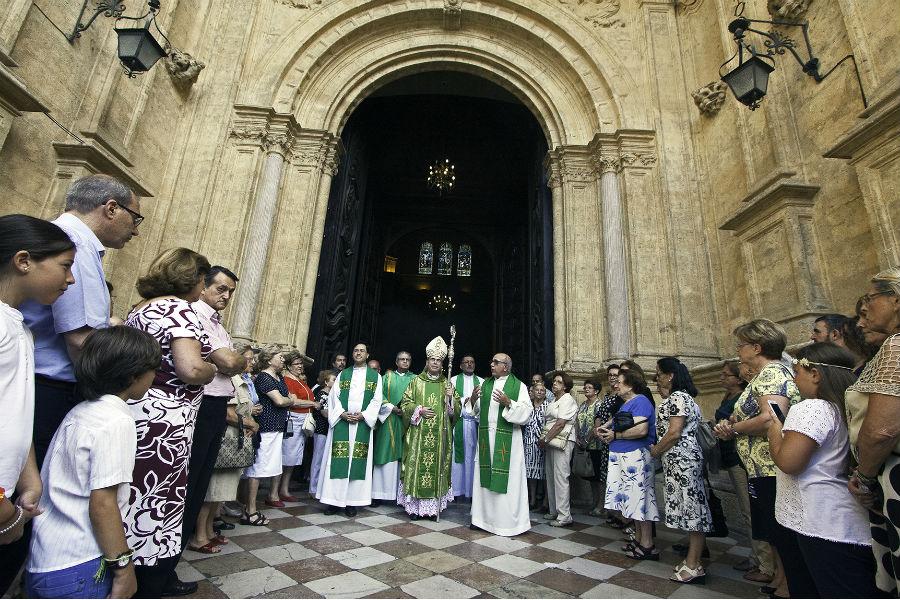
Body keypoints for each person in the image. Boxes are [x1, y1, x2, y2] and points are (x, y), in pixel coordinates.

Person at [26, 326, 160, 599]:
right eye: (153, 369)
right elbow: (103, 502)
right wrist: (123, 567)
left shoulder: (82, 410)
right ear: (134, 375)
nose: (155, 376)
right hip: (81, 563)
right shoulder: (116, 420)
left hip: (46, 557)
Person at [19, 175, 141, 470]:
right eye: (135, 219)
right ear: (111, 208)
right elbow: (80, 338)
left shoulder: (71, 239)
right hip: (50, 387)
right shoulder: (76, 244)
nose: (135, 232)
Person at [123, 248, 216, 598]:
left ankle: (126, 570)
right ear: (191, 279)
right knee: (158, 495)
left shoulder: (140, 309)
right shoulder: (179, 309)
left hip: (136, 408)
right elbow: (190, 368)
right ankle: (151, 581)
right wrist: (211, 369)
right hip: (166, 419)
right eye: (203, 280)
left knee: (133, 492)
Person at [0, 215, 75, 599]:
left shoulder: (21, 327)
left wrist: (29, 477)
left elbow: (16, 412)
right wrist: (3, 512)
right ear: (24, 260)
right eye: (65, 267)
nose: (71, 279)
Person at [767, 342, 879, 598]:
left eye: (797, 372)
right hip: (847, 520)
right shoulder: (844, 406)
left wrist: (775, 430)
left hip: (821, 522)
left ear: (815, 374)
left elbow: (789, 462)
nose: (794, 380)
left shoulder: (812, 408)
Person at [713, 318, 801, 599]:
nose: (738, 350)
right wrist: (733, 423)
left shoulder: (774, 373)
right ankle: (780, 577)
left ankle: (789, 585)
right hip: (759, 467)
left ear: (757, 346)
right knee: (771, 529)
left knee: (781, 529)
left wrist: (734, 428)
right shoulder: (760, 377)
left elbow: (769, 418)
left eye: (741, 345)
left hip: (773, 465)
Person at [185, 266, 246, 555]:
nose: (226, 295)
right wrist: (229, 362)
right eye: (221, 288)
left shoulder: (219, 325)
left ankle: (193, 537)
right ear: (203, 284)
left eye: (231, 291)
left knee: (203, 477)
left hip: (217, 403)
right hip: (203, 402)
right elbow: (231, 363)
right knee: (193, 476)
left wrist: (232, 362)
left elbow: (233, 363)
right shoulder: (194, 315)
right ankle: (184, 540)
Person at [846, 268, 900, 595]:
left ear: (895, 300)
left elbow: (882, 429)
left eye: (870, 299)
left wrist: (864, 477)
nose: (864, 310)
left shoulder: (895, 346)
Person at [651, 357, 712, 584]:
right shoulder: (683, 398)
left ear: (670, 375)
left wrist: (656, 450)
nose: (656, 377)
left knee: (693, 509)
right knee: (689, 508)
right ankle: (691, 560)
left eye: (659, 373)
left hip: (683, 460)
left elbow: (675, 432)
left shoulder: (678, 397)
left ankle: (694, 564)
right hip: (679, 460)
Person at [198, 346, 261, 547]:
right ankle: (200, 535)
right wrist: (251, 423)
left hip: (236, 442)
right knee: (211, 492)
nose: (250, 363)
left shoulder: (244, 381)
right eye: (247, 359)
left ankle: (209, 531)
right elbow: (228, 412)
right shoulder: (230, 379)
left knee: (220, 493)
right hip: (226, 440)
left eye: (252, 359)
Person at [716, 360, 771, 577]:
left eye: (726, 375)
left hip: (743, 459)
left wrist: (731, 427)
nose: (722, 378)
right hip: (732, 457)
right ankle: (757, 557)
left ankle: (765, 564)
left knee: (751, 511)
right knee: (748, 510)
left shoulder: (743, 398)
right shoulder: (729, 397)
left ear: (738, 378)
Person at [597, 368, 658, 560]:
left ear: (630, 385)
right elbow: (616, 422)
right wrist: (604, 430)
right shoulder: (627, 403)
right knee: (632, 500)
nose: (615, 384)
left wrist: (616, 435)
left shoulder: (640, 401)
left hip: (635, 457)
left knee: (641, 500)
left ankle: (647, 544)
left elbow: (641, 430)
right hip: (624, 456)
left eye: (620, 382)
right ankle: (639, 540)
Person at [317, 343, 383, 517]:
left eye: (362, 350)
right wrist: (341, 414)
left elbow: (377, 401)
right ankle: (333, 501)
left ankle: (352, 502)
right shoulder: (343, 375)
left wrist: (364, 415)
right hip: (342, 423)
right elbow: (334, 398)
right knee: (336, 462)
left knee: (357, 463)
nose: (358, 353)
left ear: (367, 355)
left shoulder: (375, 377)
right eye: (355, 350)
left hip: (361, 424)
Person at [470, 353, 533, 536]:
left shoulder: (519, 386)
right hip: (485, 440)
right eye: (492, 361)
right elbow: (475, 411)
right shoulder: (485, 384)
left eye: (496, 362)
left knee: (509, 481)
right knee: (484, 478)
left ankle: (507, 523)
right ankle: (481, 519)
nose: (491, 364)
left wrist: (509, 402)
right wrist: (473, 399)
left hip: (508, 443)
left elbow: (527, 413)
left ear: (505, 366)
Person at [398, 337, 461, 519]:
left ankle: (433, 509)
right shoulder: (416, 382)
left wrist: (450, 399)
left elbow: (455, 412)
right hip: (418, 435)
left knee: (437, 469)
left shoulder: (447, 385)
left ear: (442, 363)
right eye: (432, 359)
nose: (435, 363)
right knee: (417, 467)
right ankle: (415, 509)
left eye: (438, 360)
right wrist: (418, 410)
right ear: (427, 362)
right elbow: (405, 404)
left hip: (439, 437)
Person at [243, 349, 293, 520]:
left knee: (268, 465)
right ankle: (250, 509)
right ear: (269, 360)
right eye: (280, 357)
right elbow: (280, 400)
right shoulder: (265, 377)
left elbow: (283, 398)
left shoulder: (279, 378)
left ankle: (252, 505)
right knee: (258, 466)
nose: (283, 359)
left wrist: (287, 399)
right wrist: (290, 400)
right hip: (266, 426)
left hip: (277, 426)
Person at [372, 351, 415, 506]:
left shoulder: (415, 379)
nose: (405, 362)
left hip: (408, 422)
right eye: (402, 359)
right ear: (396, 362)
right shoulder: (386, 377)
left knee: (404, 457)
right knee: (385, 455)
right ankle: (378, 494)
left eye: (407, 360)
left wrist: (409, 410)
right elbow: (378, 396)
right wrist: (391, 408)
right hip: (389, 420)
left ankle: (401, 495)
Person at [540, 370, 577, 527]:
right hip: (551, 441)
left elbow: (560, 423)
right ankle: (554, 510)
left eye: (559, 382)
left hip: (562, 441)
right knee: (551, 475)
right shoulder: (554, 399)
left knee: (561, 477)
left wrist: (546, 439)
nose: (554, 383)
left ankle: (564, 515)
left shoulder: (568, 399)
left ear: (566, 386)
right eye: (554, 381)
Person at [279, 352, 316, 503]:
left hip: (303, 421)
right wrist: (314, 404)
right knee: (287, 454)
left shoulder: (301, 381)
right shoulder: (288, 380)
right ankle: (279, 489)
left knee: (293, 456)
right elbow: (293, 402)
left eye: (301, 364)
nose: (301, 366)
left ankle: (284, 488)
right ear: (288, 366)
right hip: (293, 420)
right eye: (297, 364)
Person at [450, 355, 482, 500]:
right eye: (466, 362)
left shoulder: (481, 382)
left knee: (473, 458)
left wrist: (474, 402)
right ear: (461, 365)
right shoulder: (453, 380)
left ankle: (472, 492)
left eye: (472, 362)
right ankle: (457, 491)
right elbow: (450, 403)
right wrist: (469, 400)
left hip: (475, 424)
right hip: (459, 423)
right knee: (458, 460)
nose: (469, 364)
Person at [309, 370, 335, 496]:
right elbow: (324, 413)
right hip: (321, 429)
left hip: (327, 430)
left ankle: (320, 486)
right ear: (326, 382)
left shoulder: (333, 395)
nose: (336, 382)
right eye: (333, 380)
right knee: (317, 459)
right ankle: (313, 488)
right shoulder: (322, 394)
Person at [523, 379, 548, 510]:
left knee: (544, 474)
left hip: (542, 443)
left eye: (542, 390)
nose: (539, 392)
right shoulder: (528, 405)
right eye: (537, 390)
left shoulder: (548, 406)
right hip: (528, 443)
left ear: (545, 393)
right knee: (530, 473)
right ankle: (532, 500)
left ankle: (545, 502)